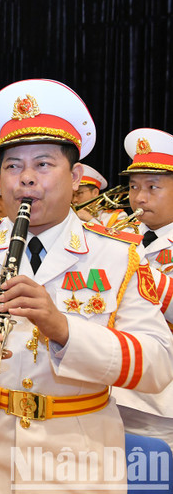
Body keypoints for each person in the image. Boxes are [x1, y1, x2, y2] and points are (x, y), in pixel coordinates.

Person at [0, 79, 173, 492]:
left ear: (76, 176)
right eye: (13, 166)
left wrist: (65, 330)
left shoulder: (118, 254)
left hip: (77, 462)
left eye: (44, 165)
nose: (26, 180)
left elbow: (158, 364)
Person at [112, 128, 173, 452]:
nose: (139, 198)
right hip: (113, 385)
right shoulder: (121, 235)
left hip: (162, 400)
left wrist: (134, 265)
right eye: (134, 187)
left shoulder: (124, 247)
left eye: (152, 187)